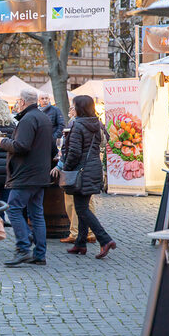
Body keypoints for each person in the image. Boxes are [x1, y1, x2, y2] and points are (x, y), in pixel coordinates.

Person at [0, 89, 55, 267]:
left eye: (17, 101)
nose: (17, 104)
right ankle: (39, 254)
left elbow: (22, 146)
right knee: (36, 213)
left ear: (22, 101)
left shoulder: (28, 119)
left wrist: (4, 143)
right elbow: (53, 148)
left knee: (13, 208)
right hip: (40, 173)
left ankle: (23, 248)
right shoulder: (43, 117)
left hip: (26, 174)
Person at [61, 95, 116, 259]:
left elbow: (75, 152)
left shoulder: (78, 125)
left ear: (80, 107)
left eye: (74, 105)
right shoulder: (95, 123)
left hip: (81, 170)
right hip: (93, 168)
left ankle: (105, 239)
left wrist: (66, 168)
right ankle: (80, 243)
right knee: (82, 206)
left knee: (82, 209)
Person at [54, 104, 96, 244]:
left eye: (72, 108)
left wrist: (63, 167)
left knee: (73, 203)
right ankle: (88, 234)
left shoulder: (74, 124)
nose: (70, 110)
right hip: (91, 168)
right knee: (87, 203)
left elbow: (70, 151)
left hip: (76, 170)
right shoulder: (95, 123)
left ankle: (76, 233)